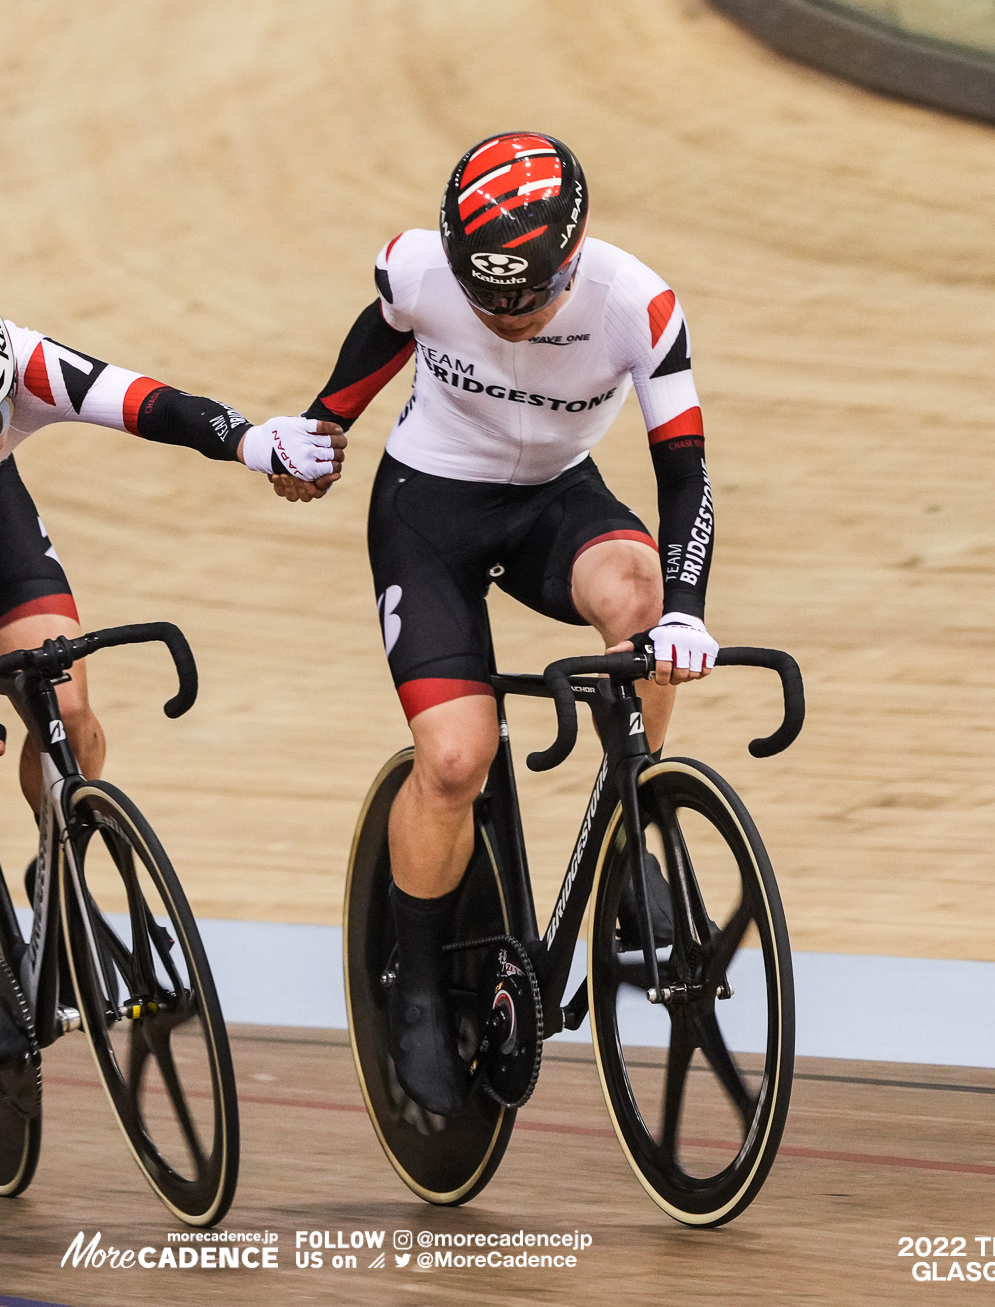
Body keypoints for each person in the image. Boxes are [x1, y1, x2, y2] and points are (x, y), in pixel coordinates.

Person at [0, 268, 341, 1068]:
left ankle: (57, 870)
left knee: (64, 700)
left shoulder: (18, 365)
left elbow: (151, 404)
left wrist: (253, 443)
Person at [273, 133, 719, 1115]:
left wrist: (686, 611)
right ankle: (422, 991)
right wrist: (324, 423)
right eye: (487, 300)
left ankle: (630, 830)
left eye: (527, 298)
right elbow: (385, 327)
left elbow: (684, 473)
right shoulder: (417, 266)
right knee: (453, 760)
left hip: (555, 502)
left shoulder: (634, 303)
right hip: (428, 512)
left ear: (572, 256)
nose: (506, 318)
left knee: (641, 599)